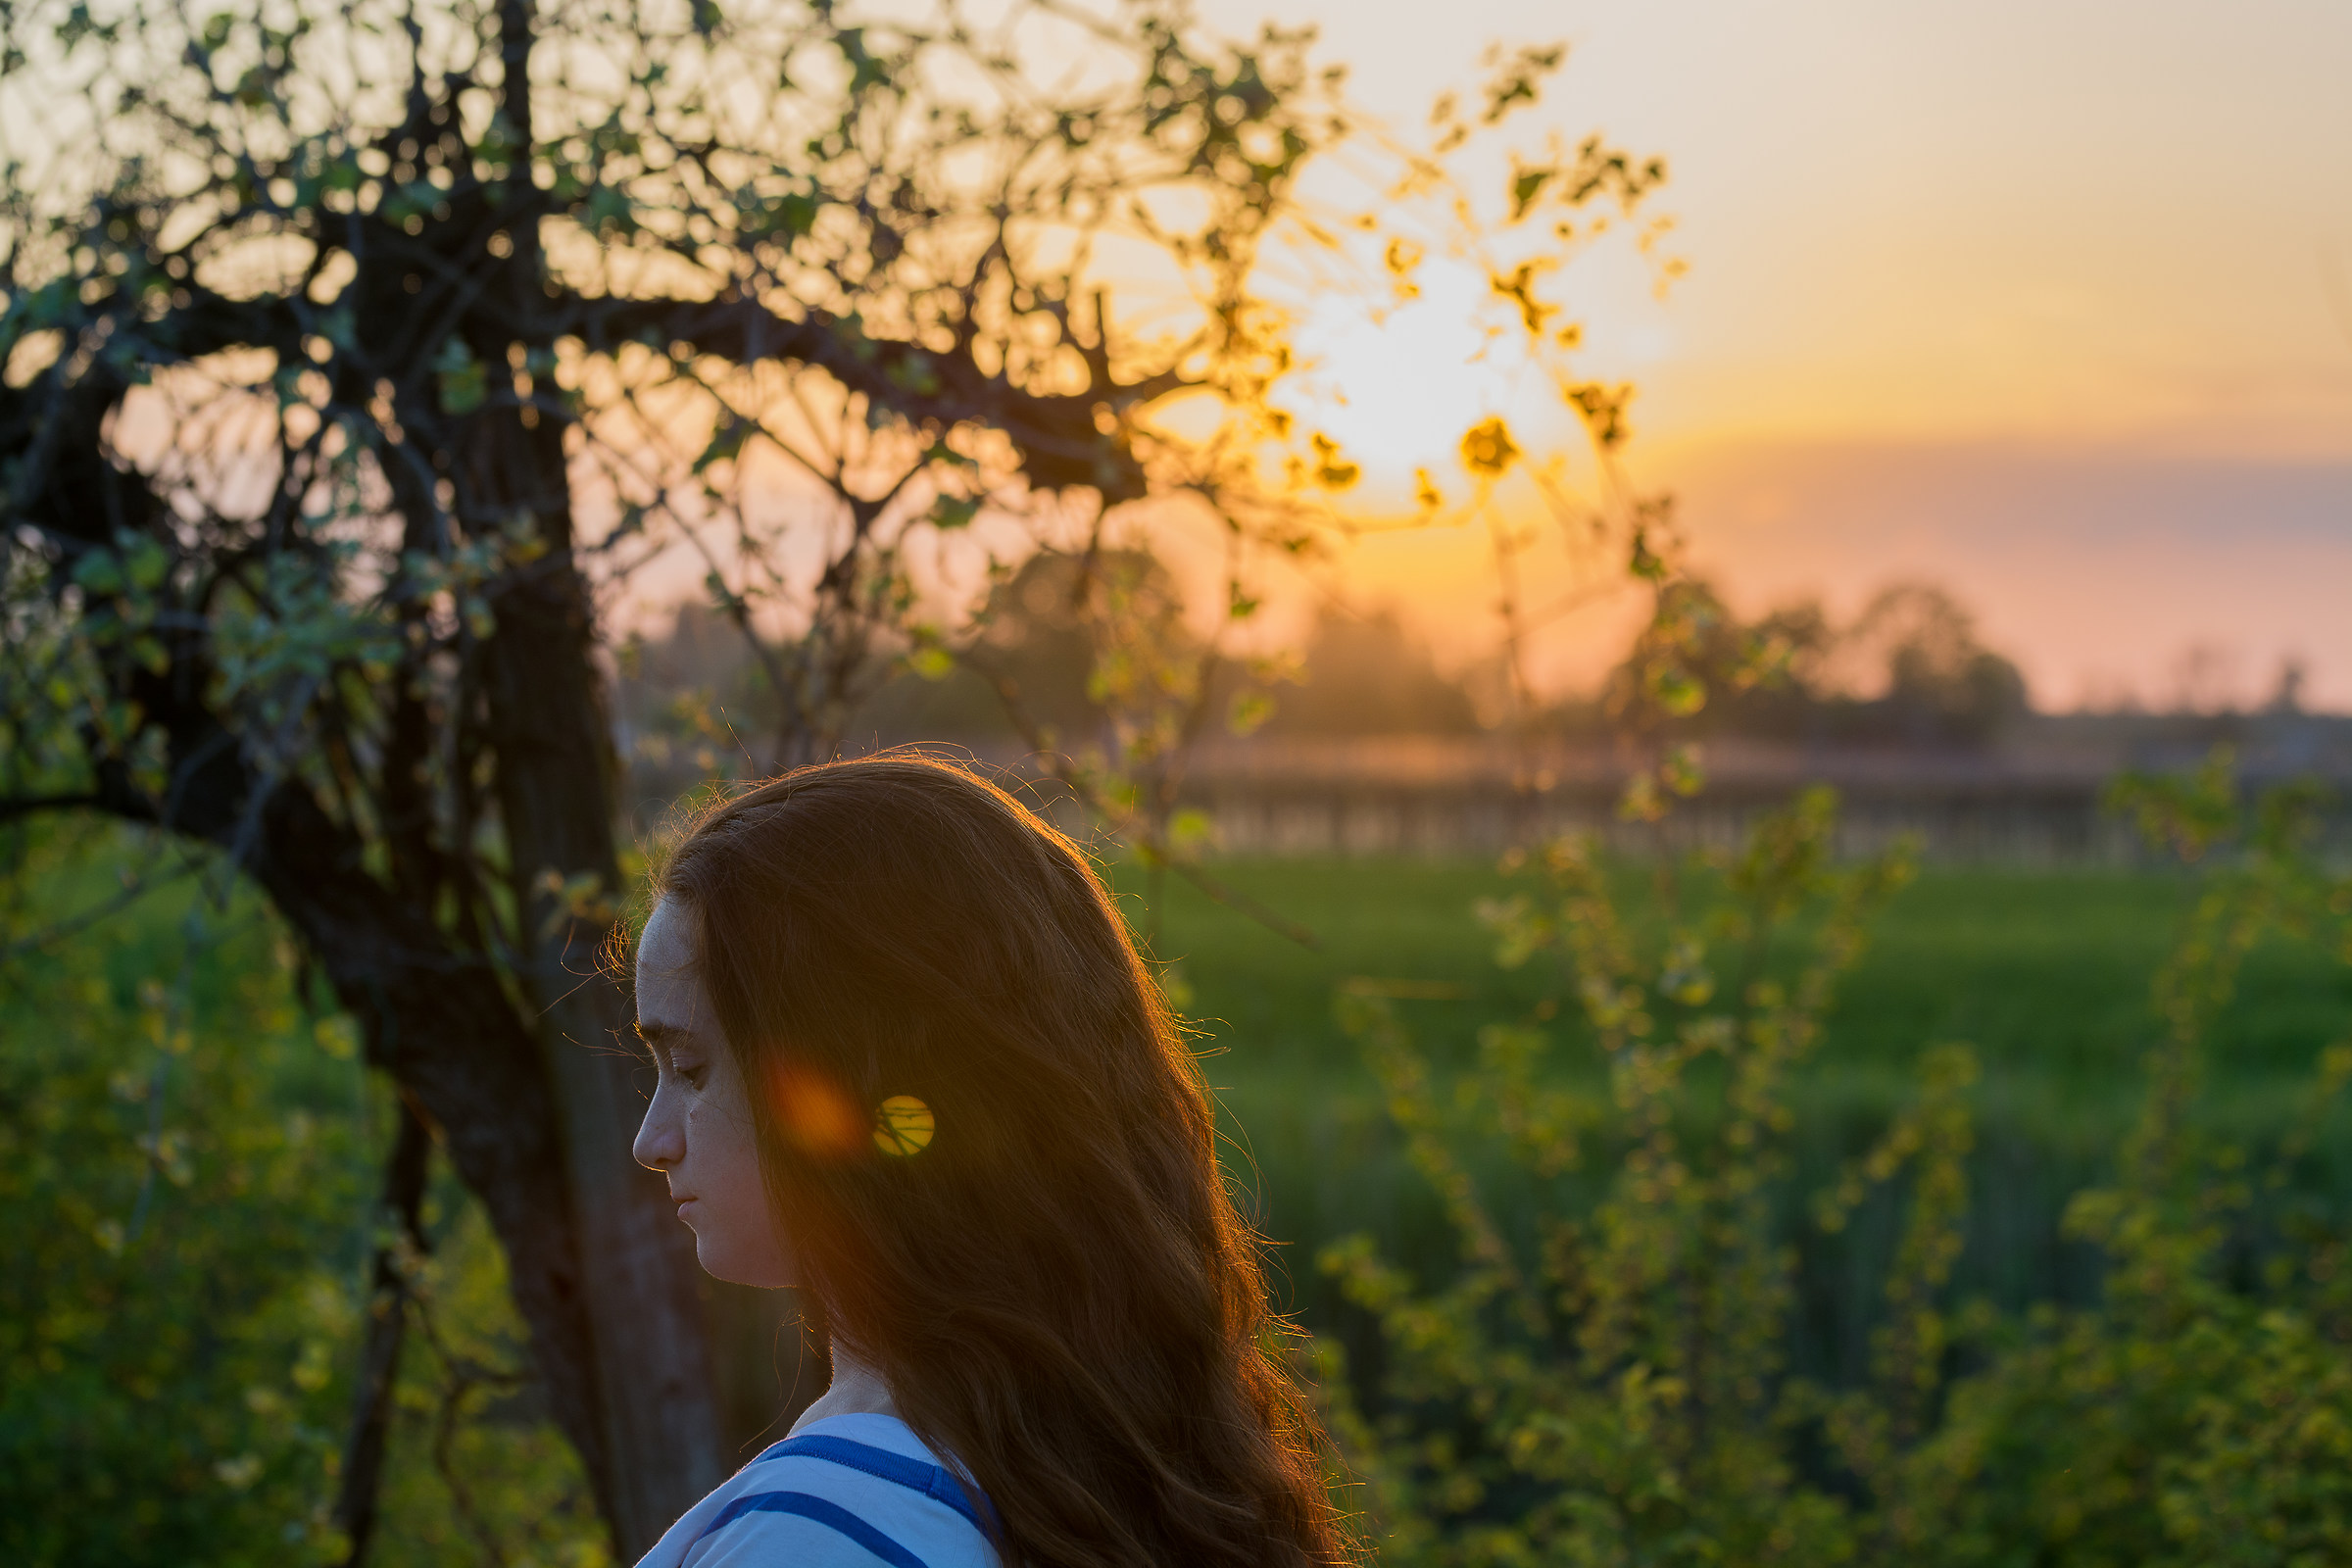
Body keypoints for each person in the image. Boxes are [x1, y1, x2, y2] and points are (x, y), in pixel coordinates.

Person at [628, 755, 1352, 1568]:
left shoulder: (818, 1532)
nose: (651, 1142)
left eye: (690, 1068)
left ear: (853, 1078)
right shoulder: (1115, 1472)